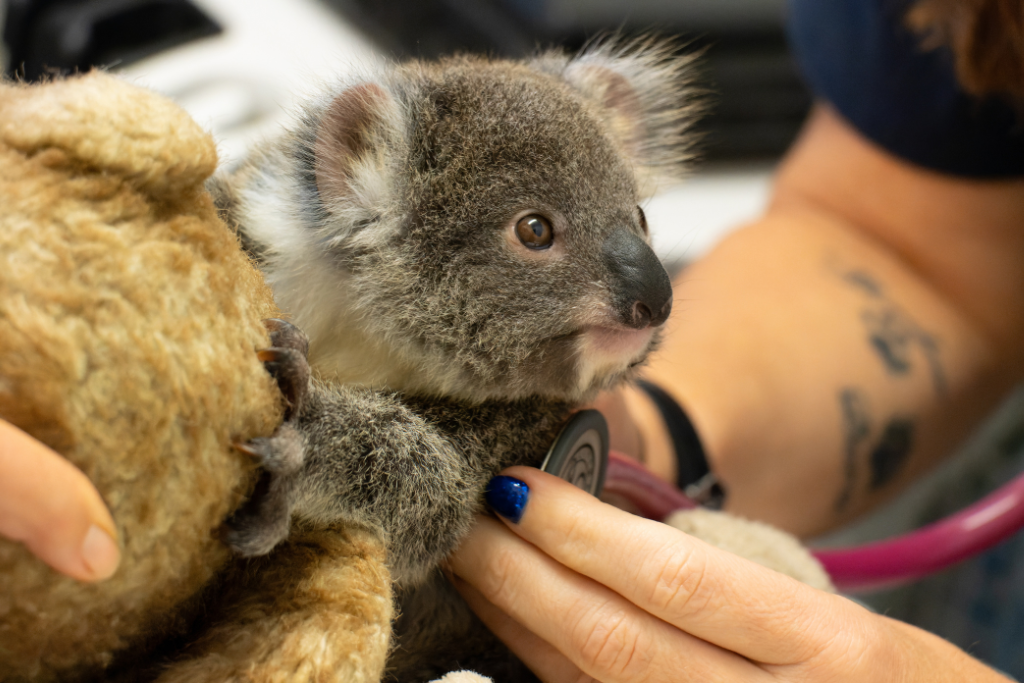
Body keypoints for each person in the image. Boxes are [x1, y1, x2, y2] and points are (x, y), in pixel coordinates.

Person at [3, 0, 1023, 680]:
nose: (652, 291)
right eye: (537, 232)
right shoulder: (223, 231)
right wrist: (646, 438)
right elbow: (909, 244)